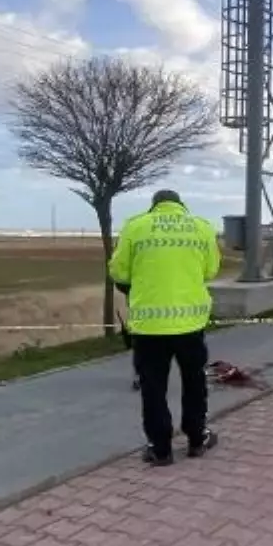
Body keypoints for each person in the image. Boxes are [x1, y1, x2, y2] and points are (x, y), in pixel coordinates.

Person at [109, 189, 221, 467]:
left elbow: (119, 272)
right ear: (181, 205)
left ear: (154, 206)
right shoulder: (202, 227)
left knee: (153, 388)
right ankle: (197, 438)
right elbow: (210, 271)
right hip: (190, 324)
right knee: (195, 383)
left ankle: (160, 449)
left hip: (149, 327)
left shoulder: (136, 226)